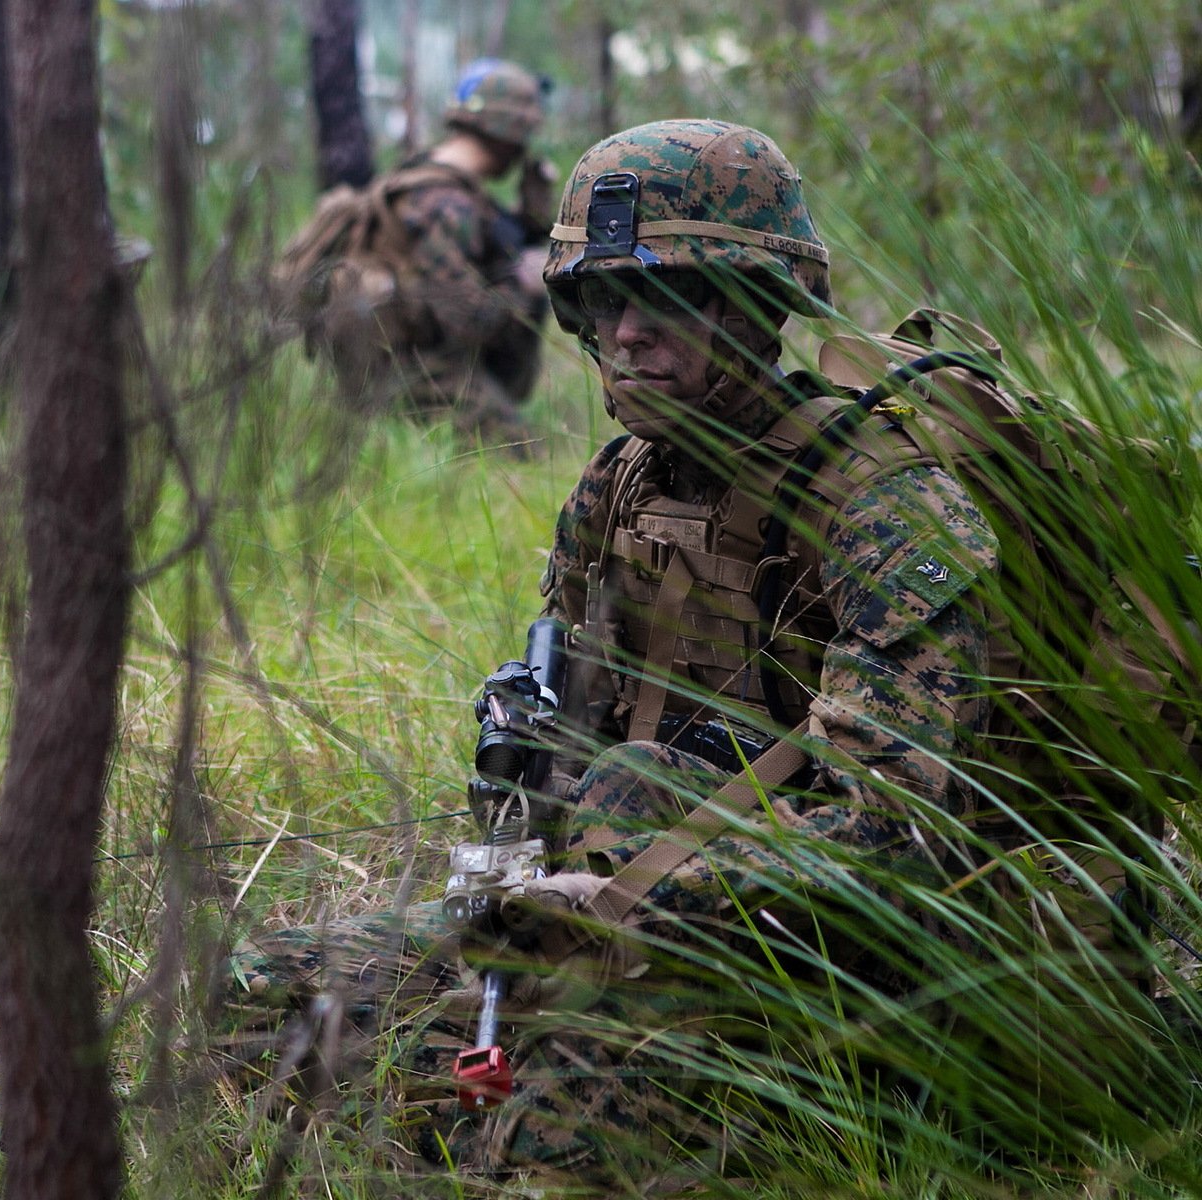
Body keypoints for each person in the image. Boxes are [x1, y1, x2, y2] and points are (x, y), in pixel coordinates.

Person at [231, 117, 1117, 1183]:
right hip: (625, 913)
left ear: (758, 307)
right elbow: (579, 743)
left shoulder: (890, 509)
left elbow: (895, 837)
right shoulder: (622, 486)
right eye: (600, 302)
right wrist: (519, 819)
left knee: (552, 1129)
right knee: (262, 986)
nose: (627, 334)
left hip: (869, 953)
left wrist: (626, 902)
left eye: (669, 298)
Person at [291, 59, 557, 447]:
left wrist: (533, 218)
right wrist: (524, 284)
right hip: (417, 373)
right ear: (510, 131)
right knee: (523, 455)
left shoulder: (423, 175)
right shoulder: (445, 203)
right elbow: (468, 319)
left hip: (405, 361)